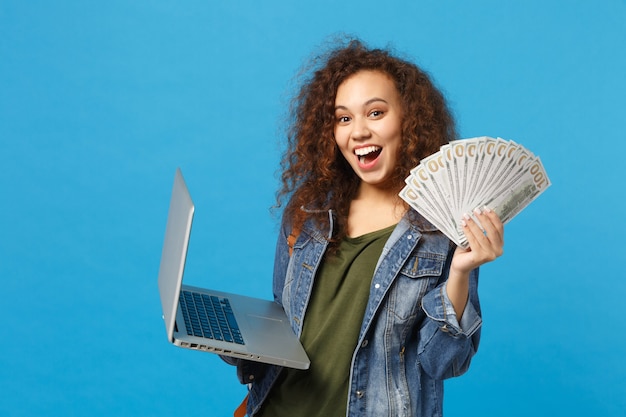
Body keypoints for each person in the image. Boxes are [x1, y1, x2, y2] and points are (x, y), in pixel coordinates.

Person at [229, 38, 505, 417]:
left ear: (409, 119)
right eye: (344, 118)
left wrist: (460, 271)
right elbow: (285, 319)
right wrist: (236, 339)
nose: (357, 131)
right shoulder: (308, 213)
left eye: (375, 113)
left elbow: (444, 362)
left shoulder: (443, 231)